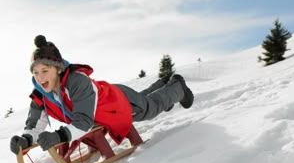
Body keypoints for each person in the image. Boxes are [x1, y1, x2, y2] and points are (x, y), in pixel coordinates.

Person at [10, 35, 194, 154]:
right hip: (102, 108)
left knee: (149, 109)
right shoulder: (40, 94)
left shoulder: (77, 82)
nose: (40, 78)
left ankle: (178, 87)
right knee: (145, 100)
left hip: (117, 102)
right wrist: (25, 139)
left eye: (45, 70)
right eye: (35, 73)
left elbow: (83, 122)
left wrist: (58, 137)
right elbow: (35, 123)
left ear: (57, 69)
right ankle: (161, 84)